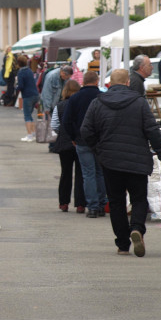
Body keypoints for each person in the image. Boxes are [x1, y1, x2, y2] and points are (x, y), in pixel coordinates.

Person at [81, 69, 161, 256]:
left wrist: (98, 149)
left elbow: (86, 130)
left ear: (110, 84)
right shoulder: (139, 102)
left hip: (110, 161)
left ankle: (122, 244)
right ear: (128, 82)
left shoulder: (97, 103)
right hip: (137, 160)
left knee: (116, 201)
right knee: (139, 199)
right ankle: (136, 228)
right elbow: (152, 130)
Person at [62, 71, 107, 218]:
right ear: (97, 81)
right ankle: (102, 205)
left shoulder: (75, 98)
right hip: (100, 141)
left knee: (88, 174)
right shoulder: (102, 97)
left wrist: (73, 136)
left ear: (83, 81)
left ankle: (92, 207)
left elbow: (66, 121)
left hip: (82, 140)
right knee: (100, 173)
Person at [51, 80, 85, 213]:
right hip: (80, 141)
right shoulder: (82, 105)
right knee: (81, 173)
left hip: (64, 143)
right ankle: (80, 204)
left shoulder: (59, 105)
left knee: (65, 172)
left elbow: (54, 125)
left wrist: (63, 132)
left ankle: (64, 202)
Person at [41, 65, 73, 152]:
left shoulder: (65, 78)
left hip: (60, 104)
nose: (67, 79)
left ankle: (56, 145)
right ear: (63, 73)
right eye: (67, 77)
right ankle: (52, 146)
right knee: (53, 125)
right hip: (52, 105)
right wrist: (47, 108)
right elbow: (47, 93)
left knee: (58, 125)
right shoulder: (51, 77)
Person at [16, 55, 39, 142]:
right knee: (30, 115)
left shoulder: (21, 72)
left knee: (27, 115)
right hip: (35, 94)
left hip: (27, 95)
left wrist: (16, 88)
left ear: (18, 63)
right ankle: (34, 133)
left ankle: (29, 135)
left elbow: (21, 86)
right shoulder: (29, 70)